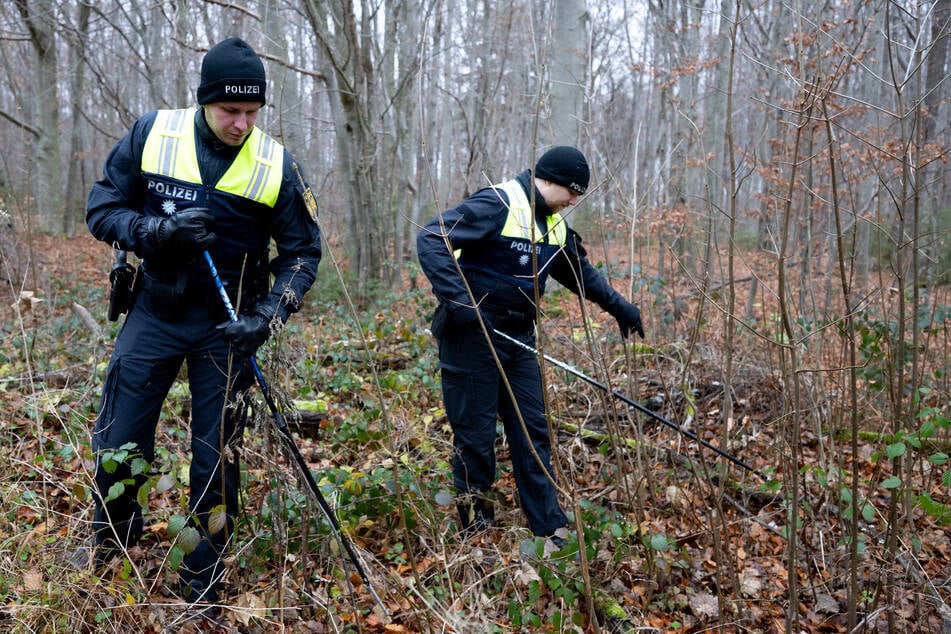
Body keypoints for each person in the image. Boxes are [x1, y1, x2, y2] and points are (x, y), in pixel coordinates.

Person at [85, 37, 322, 603]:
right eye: (229, 111)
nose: (241, 123)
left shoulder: (277, 165)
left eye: (251, 112)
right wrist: (157, 233)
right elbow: (102, 209)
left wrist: (267, 317)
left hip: (230, 326)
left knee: (216, 456)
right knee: (120, 437)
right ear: (203, 101)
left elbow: (302, 256)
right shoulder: (153, 134)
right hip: (155, 311)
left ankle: (203, 579)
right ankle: (111, 547)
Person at [416, 146, 644, 543]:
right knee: (476, 436)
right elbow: (432, 238)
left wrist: (622, 308)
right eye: (573, 191)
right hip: (471, 337)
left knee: (532, 430)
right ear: (550, 180)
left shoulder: (554, 224)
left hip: (519, 338)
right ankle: (476, 532)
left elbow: (581, 274)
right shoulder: (499, 202)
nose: (575, 200)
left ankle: (547, 525)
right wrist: (462, 303)